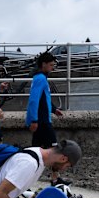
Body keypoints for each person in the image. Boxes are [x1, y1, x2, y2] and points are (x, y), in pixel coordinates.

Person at [25, 52, 70, 186]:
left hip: (42, 121)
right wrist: (34, 120)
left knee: (35, 151)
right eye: (51, 65)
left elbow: (43, 99)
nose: (52, 68)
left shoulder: (40, 78)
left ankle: (27, 177)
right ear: (43, 64)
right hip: (42, 122)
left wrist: (54, 109)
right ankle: (55, 179)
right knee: (55, 150)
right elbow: (34, 100)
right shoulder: (40, 78)